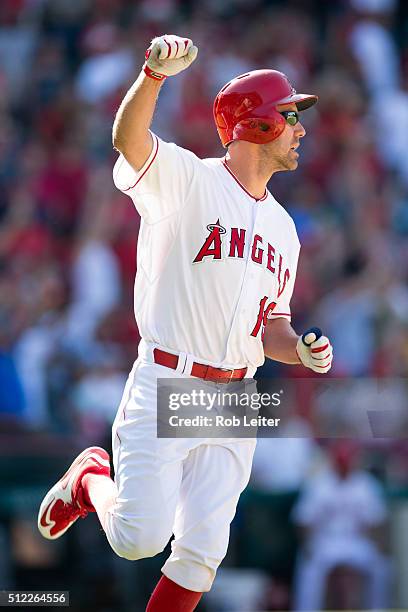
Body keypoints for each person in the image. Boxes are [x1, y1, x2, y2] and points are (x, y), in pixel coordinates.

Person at [37, 35, 333, 612]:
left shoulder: (284, 230)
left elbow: (272, 325)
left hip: (236, 395)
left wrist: (301, 350)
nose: (301, 128)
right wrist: (153, 76)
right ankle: (90, 476)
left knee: (202, 552)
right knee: (136, 540)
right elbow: (127, 139)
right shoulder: (189, 180)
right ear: (260, 123)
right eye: (291, 115)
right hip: (169, 378)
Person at [292, 440, 391, 610]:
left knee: (381, 566)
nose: (344, 468)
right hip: (326, 541)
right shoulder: (319, 484)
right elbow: (303, 519)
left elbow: (378, 521)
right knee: (309, 566)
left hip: (356, 541)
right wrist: (308, 543)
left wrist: (379, 545)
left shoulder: (366, 484)